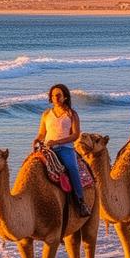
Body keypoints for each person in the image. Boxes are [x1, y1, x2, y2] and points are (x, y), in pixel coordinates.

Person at [35, 83, 89, 216]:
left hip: (65, 148)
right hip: (48, 148)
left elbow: (75, 135)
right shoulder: (46, 114)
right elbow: (42, 133)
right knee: (30, 165)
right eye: (53, 96)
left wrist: (58, 142)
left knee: (72, 168)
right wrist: (37, 139)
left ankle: (80, 201)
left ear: (65, 97)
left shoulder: (72, 114)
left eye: (58, 95)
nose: (55, 98)